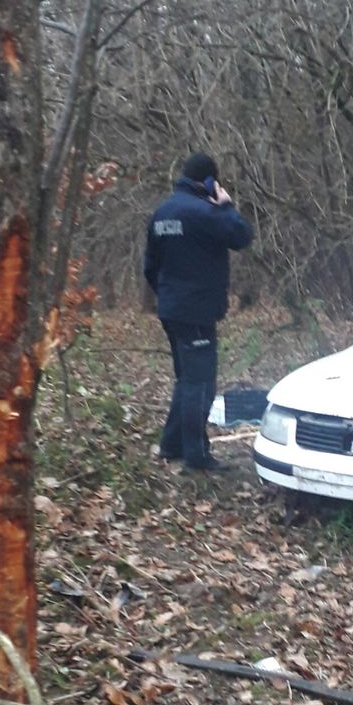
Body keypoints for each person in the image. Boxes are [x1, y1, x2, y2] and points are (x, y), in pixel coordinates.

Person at [144, 151, 253, 471]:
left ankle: (170, 444)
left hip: (171, 309)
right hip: (197, 312)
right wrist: (227, 205)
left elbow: (150, 267)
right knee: (200, 383)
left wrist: (167, 294)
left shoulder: (160, 214)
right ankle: (196, 455)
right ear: (208, 181)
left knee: (185, 378)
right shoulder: (207, 213)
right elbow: (242, 236)